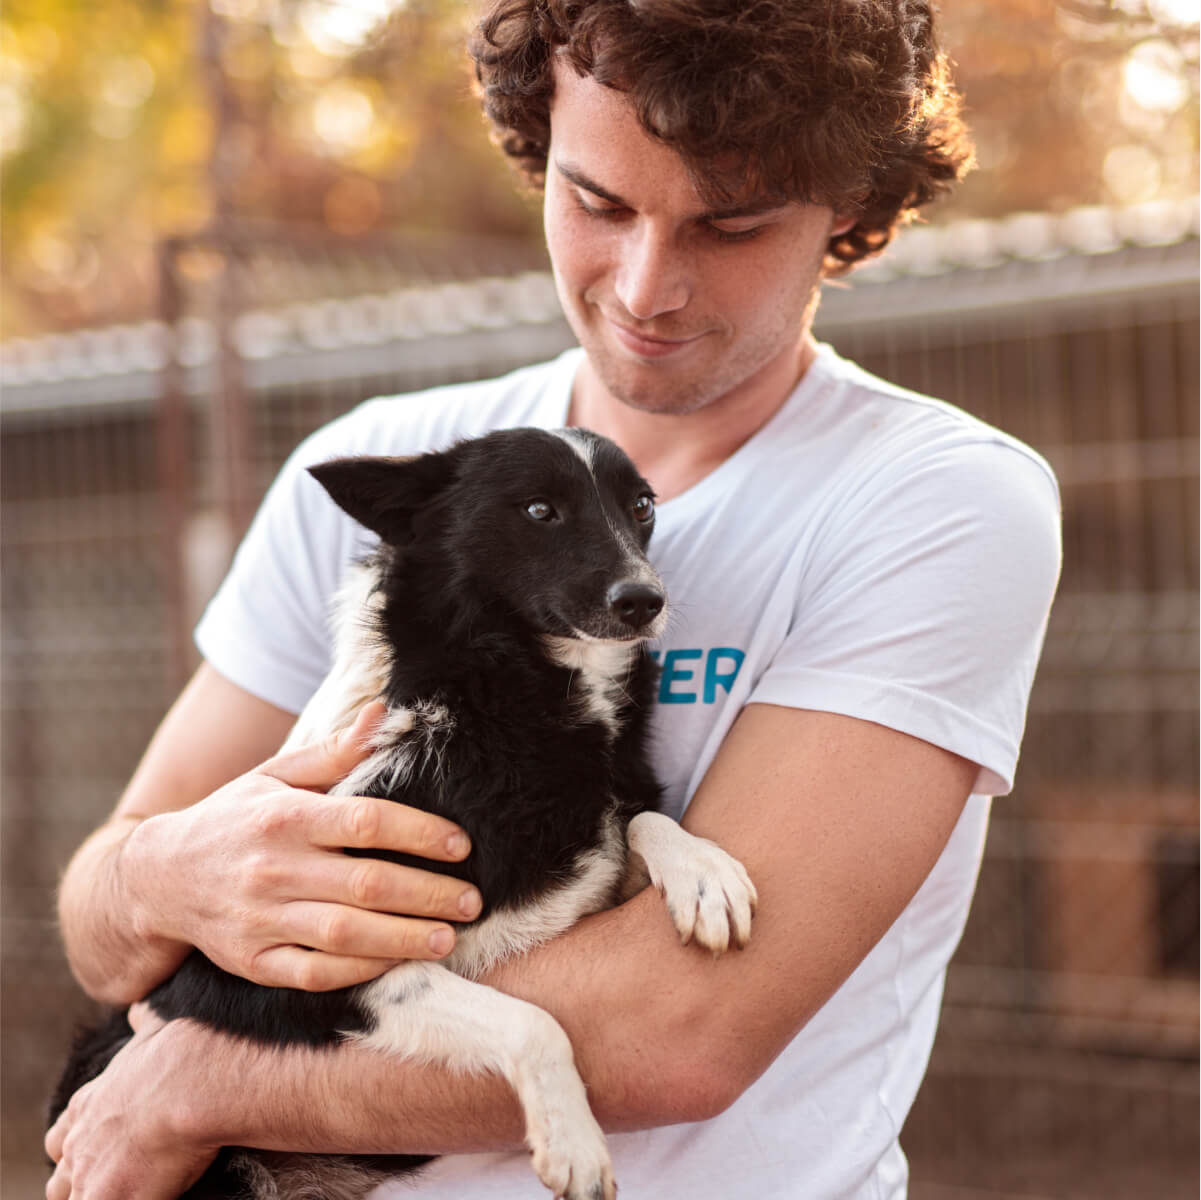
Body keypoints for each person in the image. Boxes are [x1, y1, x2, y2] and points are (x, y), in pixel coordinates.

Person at [45, 1, 1062, 1197]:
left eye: (728, 223)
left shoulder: (930, 500)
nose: (645, 285)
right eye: (598, 203)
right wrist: (164, 877)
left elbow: (681, 1029)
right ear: (538, 143)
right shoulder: (391, 465)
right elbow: (104, 921)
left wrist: (199, 1085)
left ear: (847, 203)